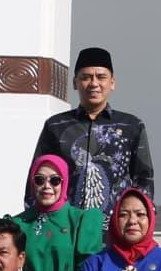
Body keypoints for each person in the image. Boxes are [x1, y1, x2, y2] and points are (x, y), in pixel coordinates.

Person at [31, 47, 153, 215]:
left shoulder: (131, 126)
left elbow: (143, 181)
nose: (94, 83)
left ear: (112, 83)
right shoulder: (56, 126)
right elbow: (37, 176)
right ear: (75, 82)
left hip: (112, 229)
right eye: (86, 77)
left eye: (101, 77)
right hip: (64, 227)